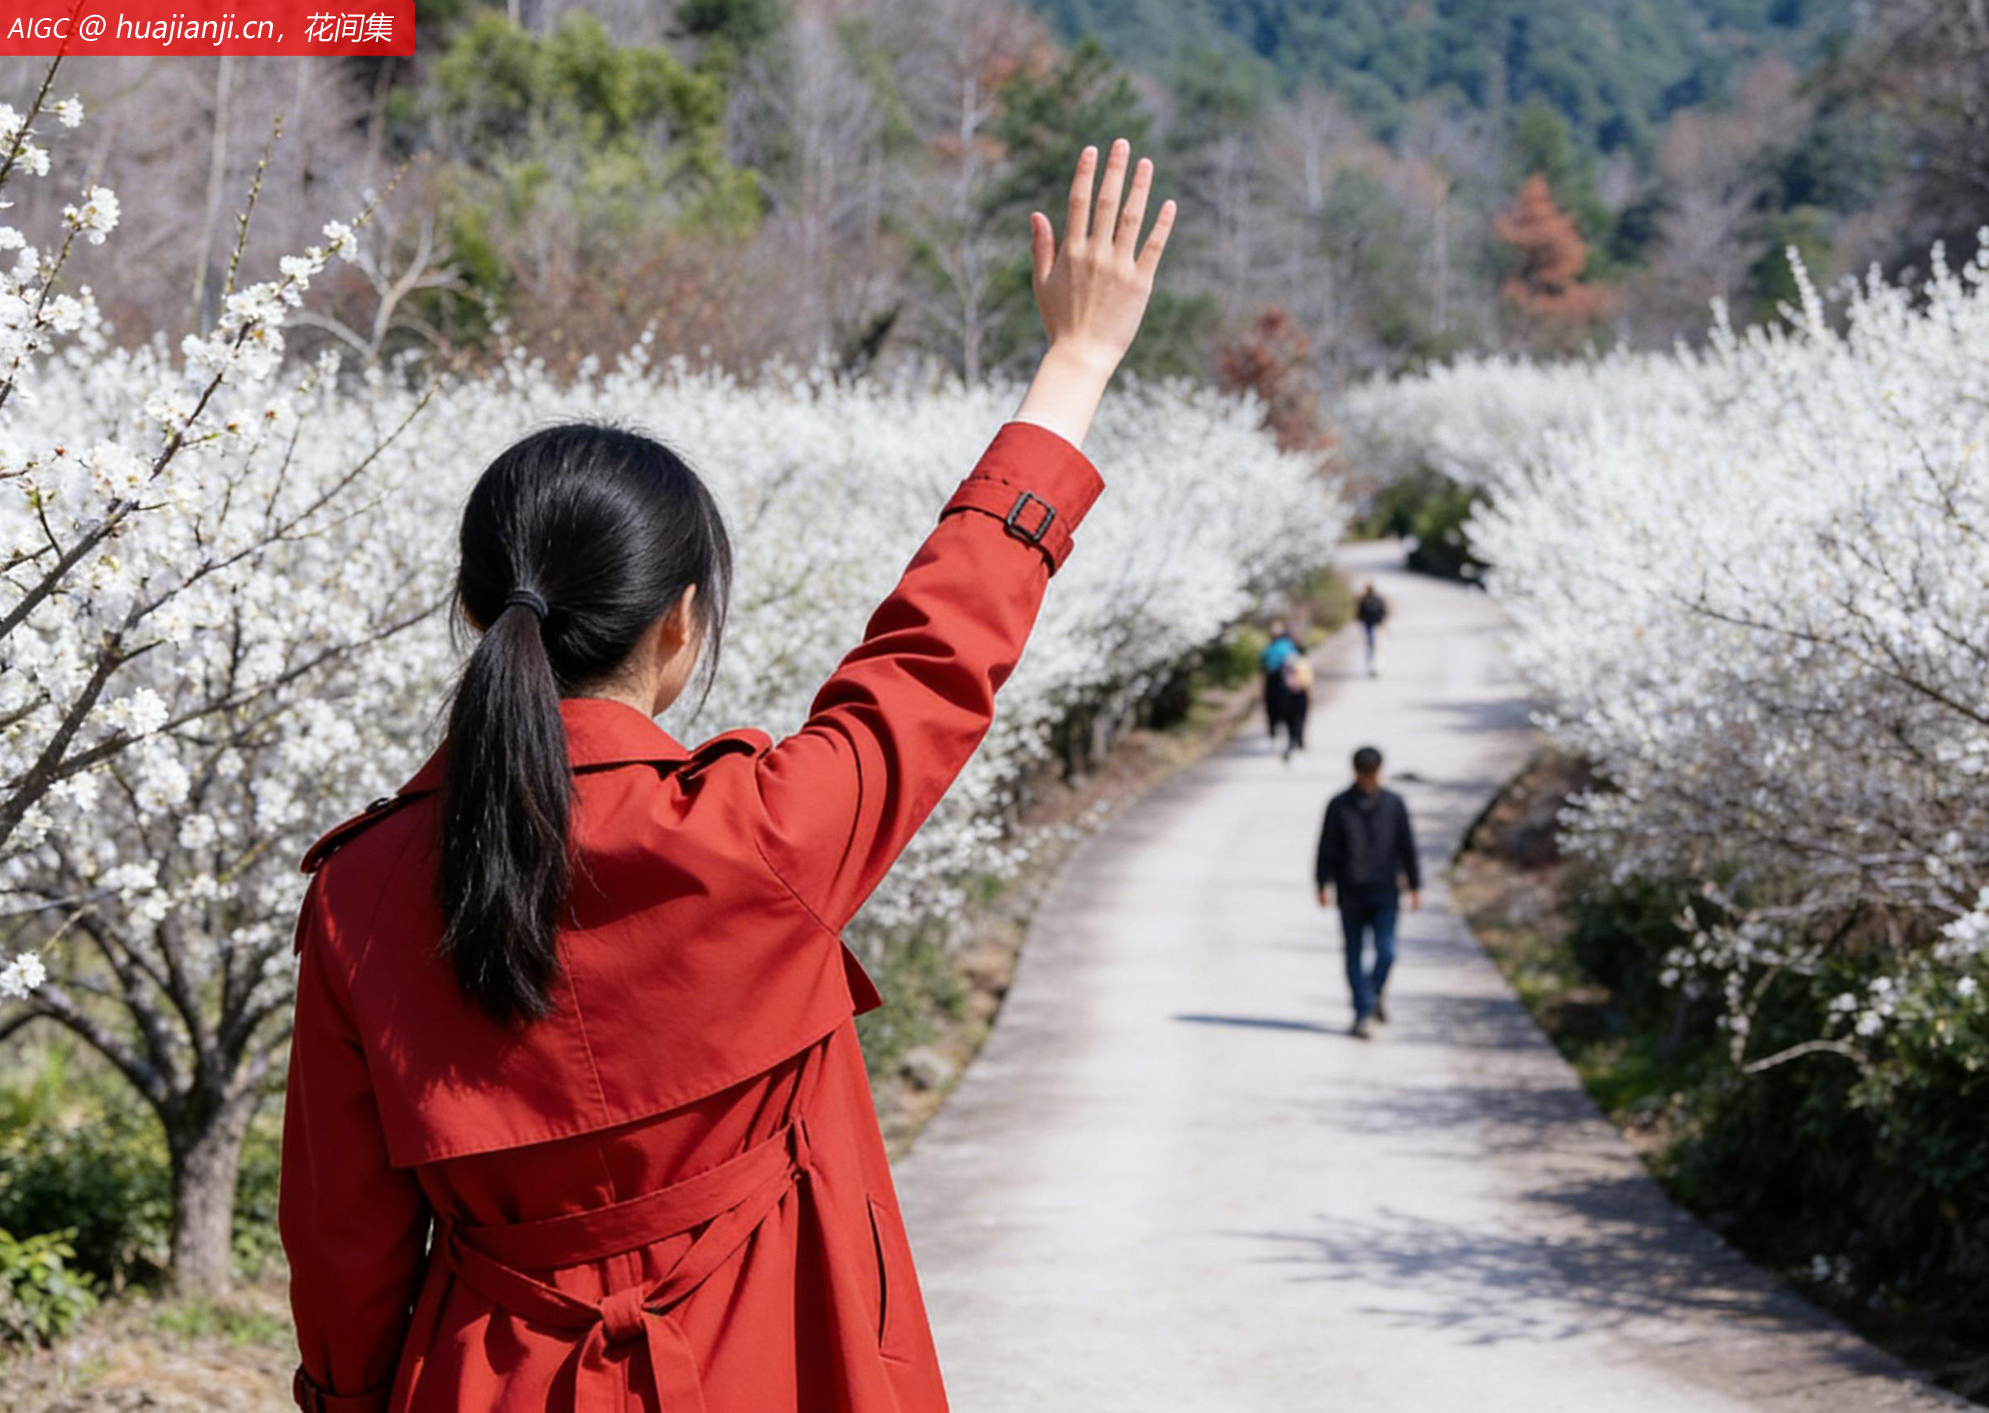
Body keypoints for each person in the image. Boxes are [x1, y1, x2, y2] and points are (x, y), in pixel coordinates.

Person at [278, 139, 1176, 1413]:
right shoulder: (764, 836)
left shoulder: (357, 897)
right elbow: (937, 648)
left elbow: (343, 1254)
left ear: (479, 616)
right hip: (780, 1362)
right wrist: (1073, 362)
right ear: (683, 626)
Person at [1314, 745, 1421, 1039]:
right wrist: (1321, 882)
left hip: (1386, 892)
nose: (1369, 779)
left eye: (1373, 773)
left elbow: (1407, 846)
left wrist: (1415, 885)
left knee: (1387, 952)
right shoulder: (1339, 805)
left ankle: (1373, 994)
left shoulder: (1393, 804)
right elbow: (1326, 846)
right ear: (1357, 773)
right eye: (1365, 774)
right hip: (1350, 892)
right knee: (1353, 954)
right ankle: (1363, 1011)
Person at [1260, 619, 1299, 742]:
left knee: (1286, 710)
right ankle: (1274, 734)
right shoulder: (1269, 648)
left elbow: (1295, 663)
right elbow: (1262, 666)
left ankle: (1291, 737)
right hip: (1272, 681)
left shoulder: (1287, 646)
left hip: (1284, 681)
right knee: (1272, 709)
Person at [1279, 649, 1312, 762]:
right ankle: (1297, 739)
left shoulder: (1289, 664)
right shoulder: (1301, 663)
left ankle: (1295, 739)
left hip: (1293, 695)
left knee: (1295, 719)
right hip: (1297, 695)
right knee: (1298, 718)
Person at [1355, 582, 1388, 676]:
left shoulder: (1363, 600)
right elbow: (1383, 612)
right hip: (1378, 626)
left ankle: (1370, 668)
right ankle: (1378, 668)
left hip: (1368, 626)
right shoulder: (1379, 599)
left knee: (1370, 648)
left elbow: (1359, 616)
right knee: (1378, 649)